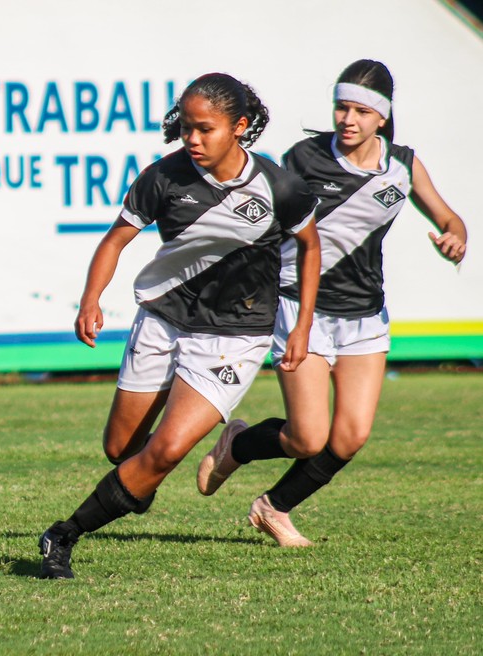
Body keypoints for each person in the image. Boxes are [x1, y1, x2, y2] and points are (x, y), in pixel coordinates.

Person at [37, 73, 322, 579]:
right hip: (163, 319)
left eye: (204, 129)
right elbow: (114, 241)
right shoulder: (163, 177)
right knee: (122, 453)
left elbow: (310, 246)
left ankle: (64, 534)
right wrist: (90, 298)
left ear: (239, 127)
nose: (192, 139)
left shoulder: (279, 186)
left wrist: (300, 326)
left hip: (235, 336)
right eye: (186, 127)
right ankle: (141, 480)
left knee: (164, 451)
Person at [196, 59, 468, 547]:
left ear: (381, 118)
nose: (348, 119)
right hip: (302, 309)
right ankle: (237, 443)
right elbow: (256, 217)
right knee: (307, 438)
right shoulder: (303, 158)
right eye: (341, 107)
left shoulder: (402, 166)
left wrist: (455, 238)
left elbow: (451, 218)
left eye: (361, 111)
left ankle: (272, 507)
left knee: (349, 438)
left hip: (365, 315)